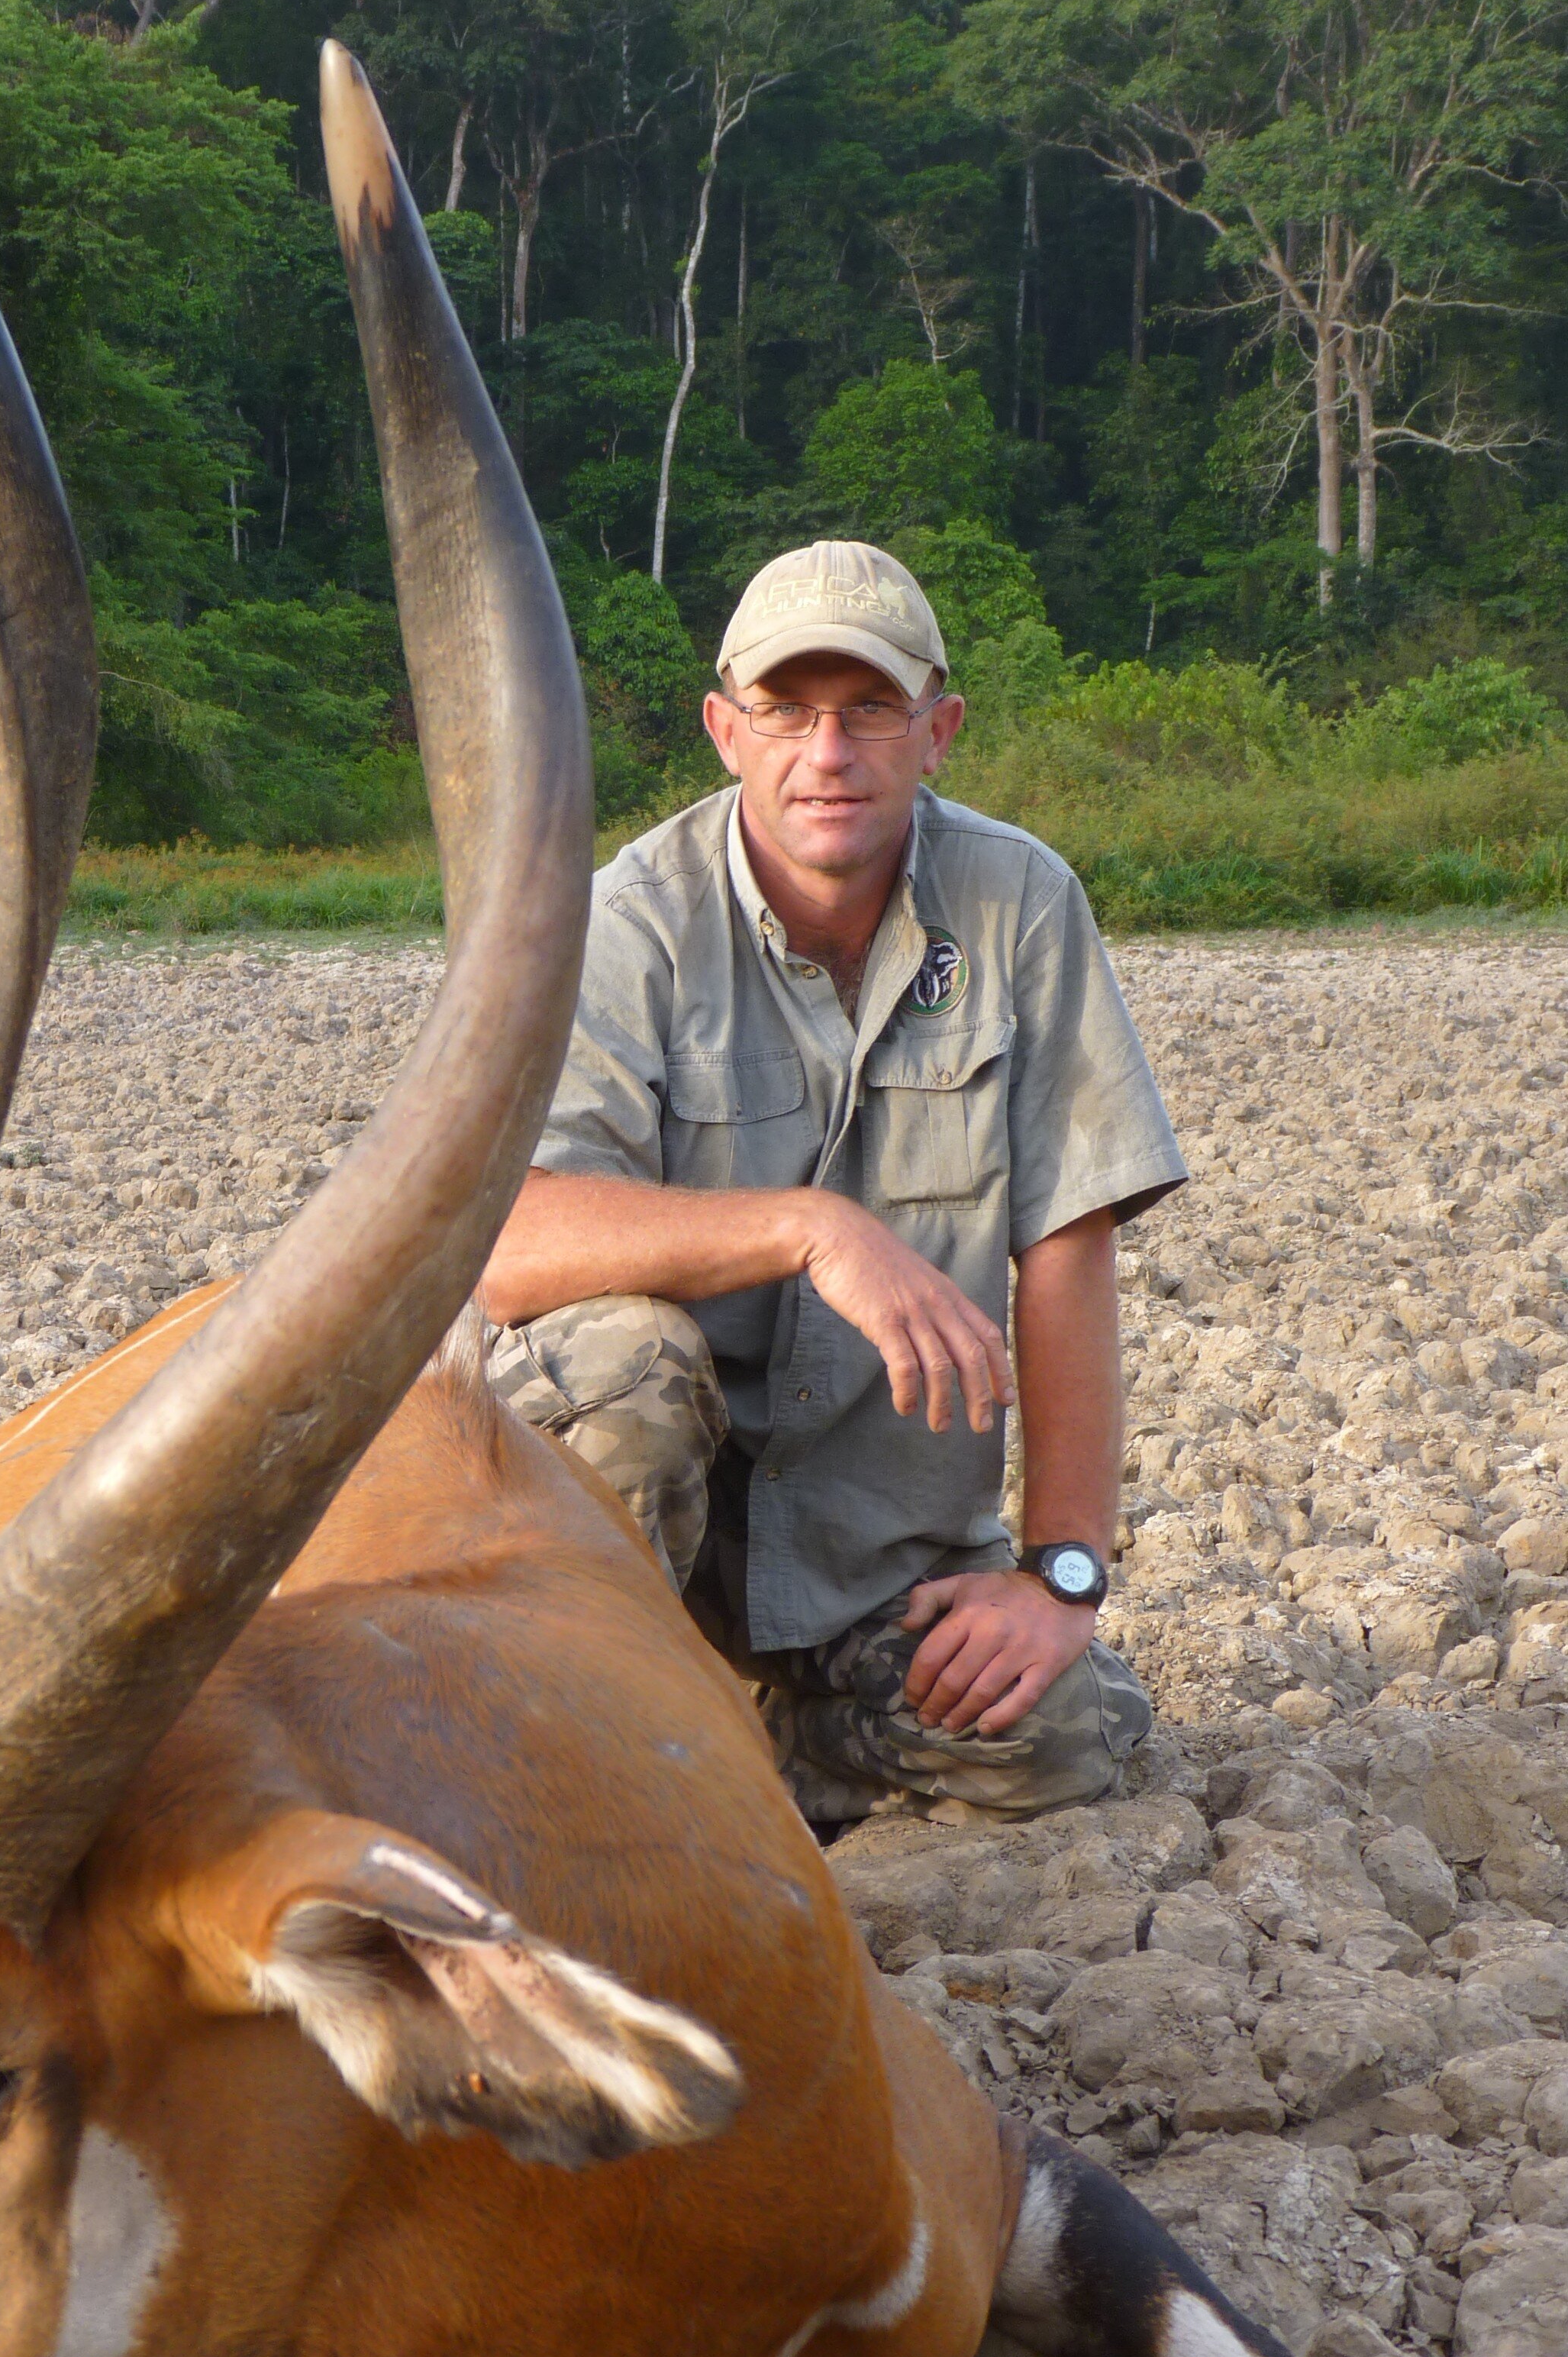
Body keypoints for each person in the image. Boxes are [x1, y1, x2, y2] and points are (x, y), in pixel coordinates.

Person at [478, 539, 1185, 1826]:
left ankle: (747, 1746)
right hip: (641, 1549)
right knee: (629, 1361)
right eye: (786, 711)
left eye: (869, 709)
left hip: (866, 1562)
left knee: (1060, 1740)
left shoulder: (1021, 904)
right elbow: (507, 1241)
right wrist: (810, 1230)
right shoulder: (622, 927)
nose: (828, 752)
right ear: (723, 731)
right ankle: (589, 1739)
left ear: (938, 731)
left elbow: (1071, 1251)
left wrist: (1061, 1580)